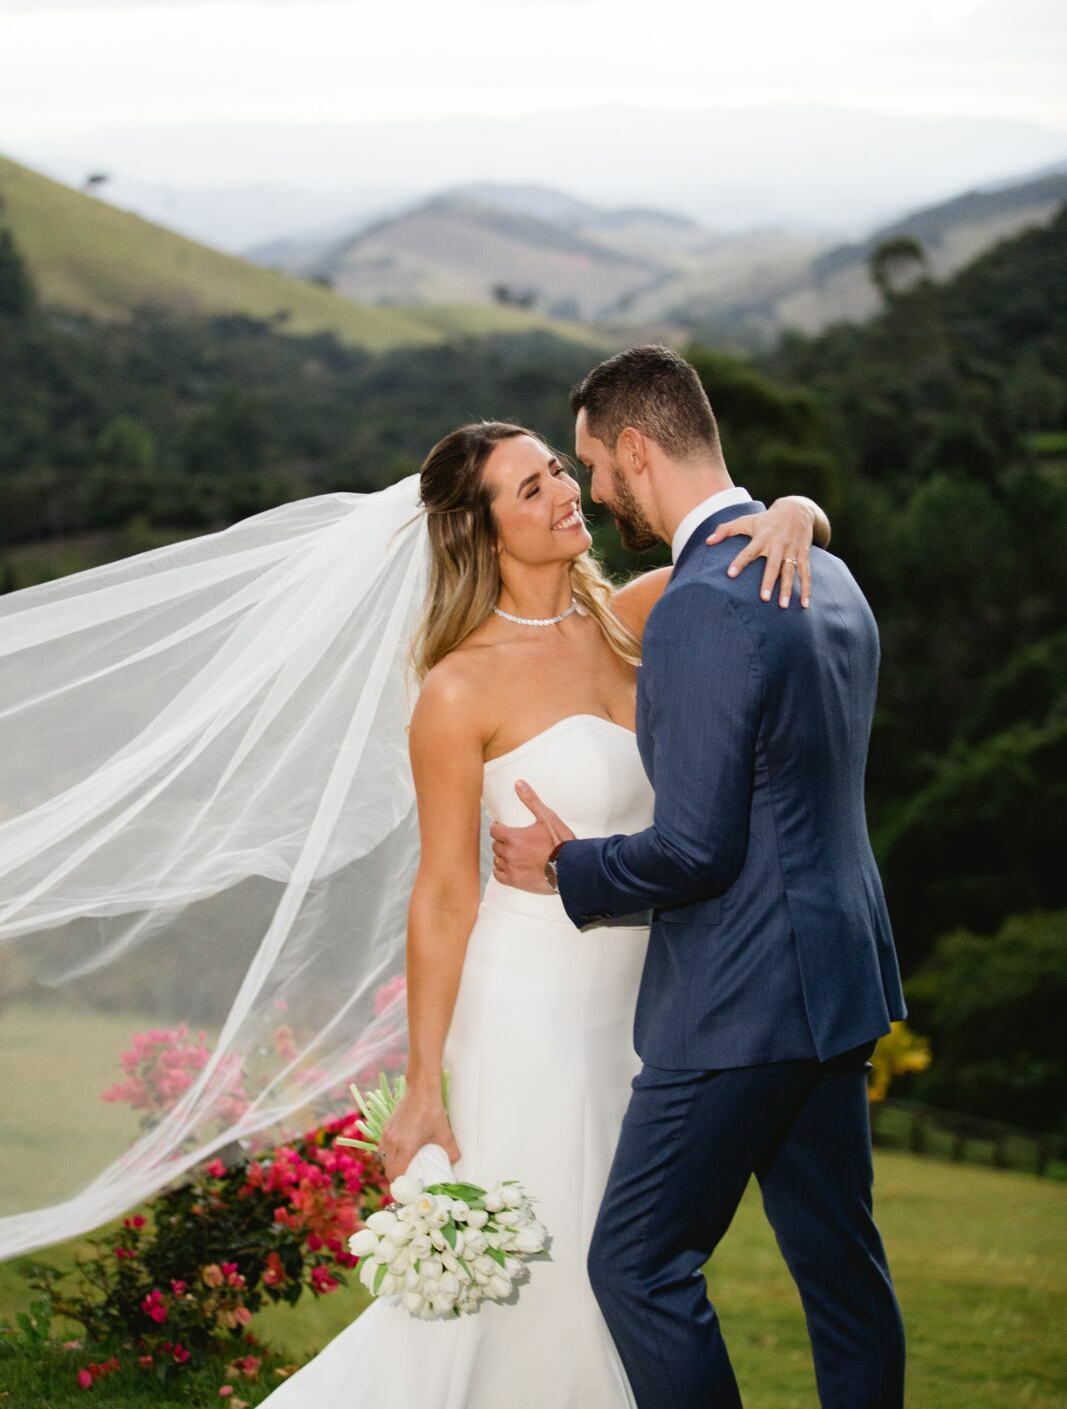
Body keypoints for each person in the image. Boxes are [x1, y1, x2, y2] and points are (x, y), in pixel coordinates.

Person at [257, 405, 828, 1408]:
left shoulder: (645, 612)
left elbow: (786, 542)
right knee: (546, 1279)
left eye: (561, 470)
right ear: (481, 531)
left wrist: (793, 508)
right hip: (527, 1013)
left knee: (628, 1270)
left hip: (646, 1017)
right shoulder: (456, 688)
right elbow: (442, 896)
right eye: (532, 487)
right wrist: (423, 1082)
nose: (568, 491)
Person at [491, 344, 907, 1408]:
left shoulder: (704, 605)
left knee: (634, 1263)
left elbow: (695, 849)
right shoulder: (825, 570)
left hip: (736, 1005)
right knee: (843, 1279)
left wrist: (564, 864)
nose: (590, 488)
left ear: (635, 448)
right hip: (840, 981)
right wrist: (800, 508)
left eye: (590, 463)